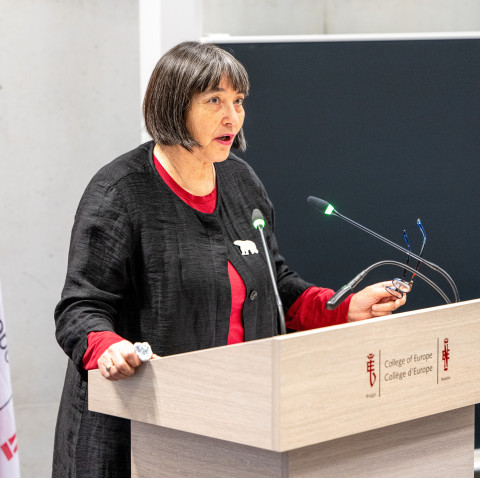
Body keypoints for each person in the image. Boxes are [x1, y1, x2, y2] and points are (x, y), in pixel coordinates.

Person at [52, 41, 406, 477]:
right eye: (215, 101)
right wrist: (111, 348)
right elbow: (80, 309)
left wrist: (343, 307)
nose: (232, 117)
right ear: (174, 105)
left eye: (238, 101)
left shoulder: (241, 182)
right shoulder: (120, 193)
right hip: (139, 433)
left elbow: (275, 285)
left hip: (234, 420)